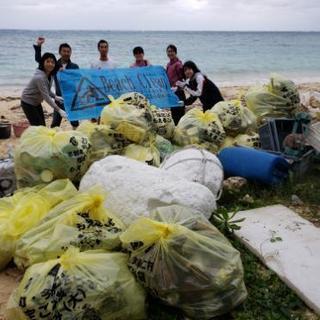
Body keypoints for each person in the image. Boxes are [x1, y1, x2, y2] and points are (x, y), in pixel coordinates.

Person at [34, 37, 79, 128]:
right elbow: (40, 60)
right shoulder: (54, 65)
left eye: (68, 51)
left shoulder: (74, 66)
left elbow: (79, 82)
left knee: (75, 123)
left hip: (71, 100)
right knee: (55, 124)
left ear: (70, 53)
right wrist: (38, 46)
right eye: (64, 51)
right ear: (60, 52)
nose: (66, 53)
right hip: (59, 99)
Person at [21, 53, 67, 126]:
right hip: (28, 102)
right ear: (43, 62)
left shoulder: (50, 75)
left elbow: (47, 90)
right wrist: (59, 110)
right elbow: (46, 97)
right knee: (38, 127)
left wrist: (55, 97)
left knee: (42, 126)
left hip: (36, 102)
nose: (50, 64)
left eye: (52, 62)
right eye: (47, 61)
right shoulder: (40, 77)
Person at [166, 44, 186, 125]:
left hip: (179, 94)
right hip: (171, 94)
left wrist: (177, 87)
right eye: (168, 52)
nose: (170, 53)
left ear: (175, 52)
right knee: (173, 115)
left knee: (180, 116)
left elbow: (184, 79)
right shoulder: (168, 64)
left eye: (172, 51)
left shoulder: (178, 64)